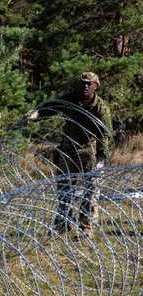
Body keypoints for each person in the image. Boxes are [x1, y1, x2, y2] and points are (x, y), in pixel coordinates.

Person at [26, 71, 113, 239]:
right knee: (65, 187)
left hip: (88, 149)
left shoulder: (100, 108)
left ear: (96, 86)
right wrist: (36, 114)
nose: (85, 86)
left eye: (89, 84)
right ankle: (61, 224)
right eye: (83, 83)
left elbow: (105, 133)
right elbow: (51, 107)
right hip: (68, 148)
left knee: (91, 188)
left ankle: (86, 227)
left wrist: (101, 156)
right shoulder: (70, 100)